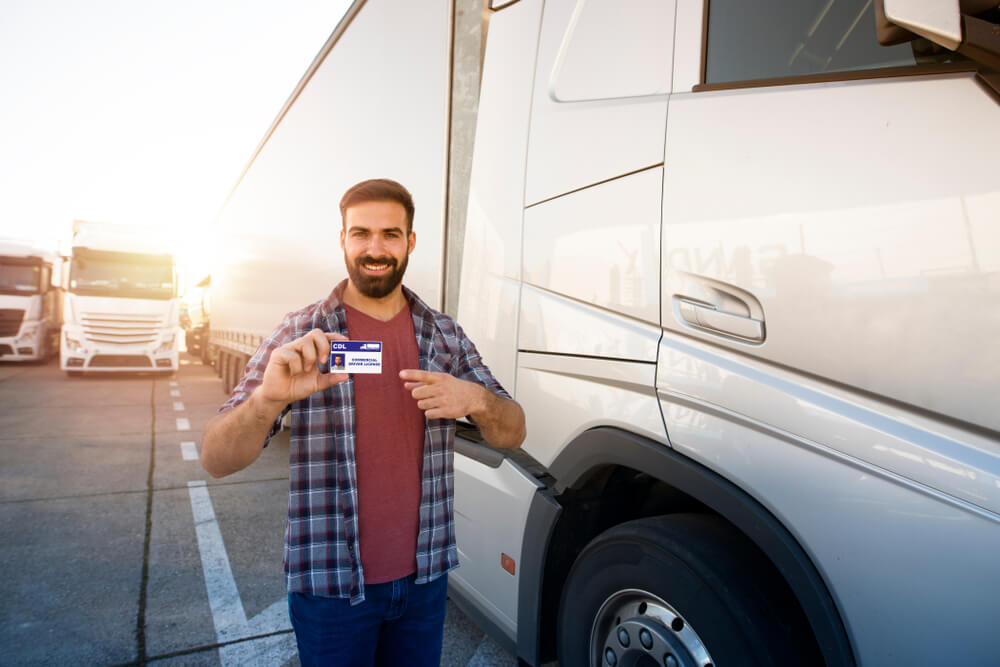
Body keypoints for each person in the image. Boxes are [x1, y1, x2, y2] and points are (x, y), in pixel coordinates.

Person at [200, 178, 526, 667]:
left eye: (391, 235)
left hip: (425, 582)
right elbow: (216, 458)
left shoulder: (444, 336)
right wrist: (268, 399)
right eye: (362, 234)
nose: (376, 249)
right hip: (330, 588)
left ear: (410, 242)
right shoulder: (302, 332)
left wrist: (477, 399)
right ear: (343, 239)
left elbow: (514, 431)